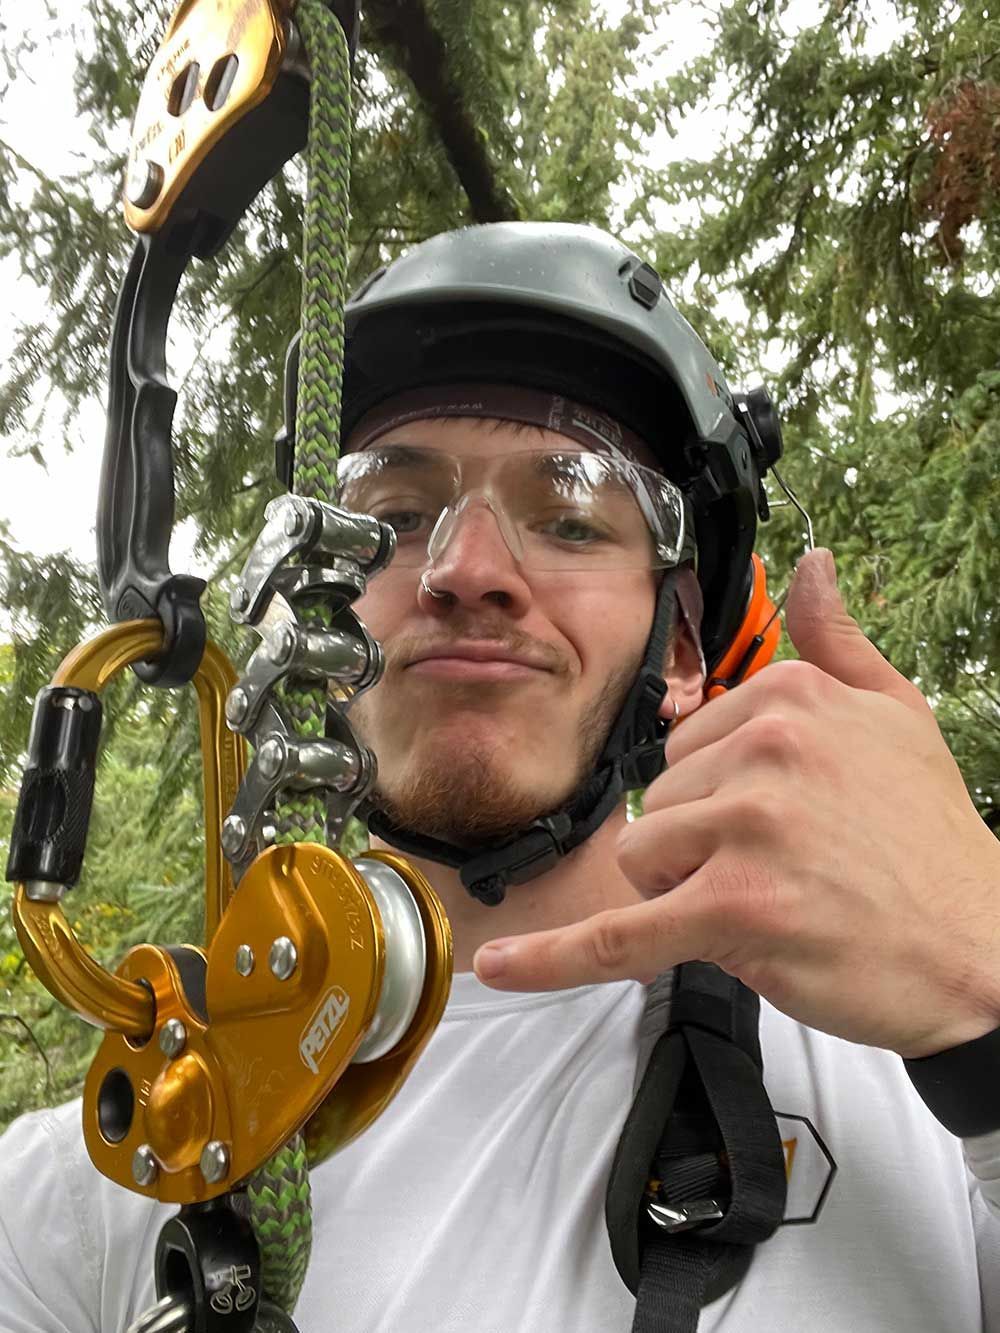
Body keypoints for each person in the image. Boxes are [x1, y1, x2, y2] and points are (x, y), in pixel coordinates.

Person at [2, 221, 999, 1332]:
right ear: (312, 612)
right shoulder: (128, 1169)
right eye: (394, 516)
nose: (465, 570)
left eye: (570, 517)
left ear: (678, 650)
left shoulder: (924, 1077)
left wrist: (985, 991)